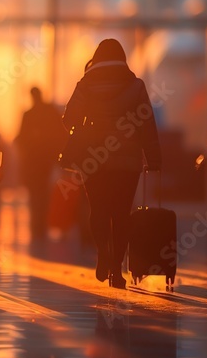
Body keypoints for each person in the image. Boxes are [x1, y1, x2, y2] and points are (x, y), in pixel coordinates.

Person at [62, 39, 161, 288]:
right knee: (121, 213)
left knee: (98, 209)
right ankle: (117, 268)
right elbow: (147, 124)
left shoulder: (85, 84)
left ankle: (102, 254)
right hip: (127, 160)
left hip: (94, 159)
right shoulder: (136, 86)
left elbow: (68, 120)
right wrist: (154, 158)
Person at [15, 86, 67, 241]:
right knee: (43, 193)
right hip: (46, 161)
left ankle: (37, 227)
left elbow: (21, 138)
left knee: (35, 194)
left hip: (33, 162)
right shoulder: (50, 112)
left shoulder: (28, 115)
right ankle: (41, 226)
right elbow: (60, 134)